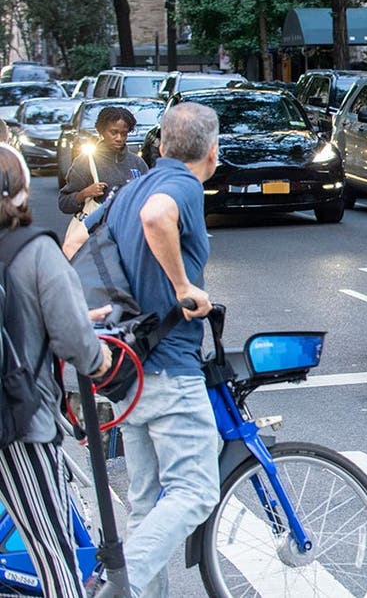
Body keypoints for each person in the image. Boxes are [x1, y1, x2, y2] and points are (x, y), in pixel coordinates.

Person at [72, 103, 219, 598]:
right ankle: (112, 588)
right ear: (212, 152)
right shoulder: (180, 186)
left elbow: (77, 239)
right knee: (195, 491)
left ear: (158, 146)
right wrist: (183, 286)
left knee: (147, 501)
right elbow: (160, 217)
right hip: (168, 367)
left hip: (127, 370)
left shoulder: (128, 188)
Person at [0, 143, 111, 596]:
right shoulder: (35, 250)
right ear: (22, 190)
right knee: (52, 546)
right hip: (18, 419)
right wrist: (99, 359)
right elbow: (74, 342)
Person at [58, 106, 149, 220]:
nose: (119, 138)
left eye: (124, 133)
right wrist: (85, 193)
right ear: (101, 131)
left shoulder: (137, 163)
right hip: (98, 232)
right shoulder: (85, 162)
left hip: (131, 230)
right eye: (113, 132)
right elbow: (64, 203)